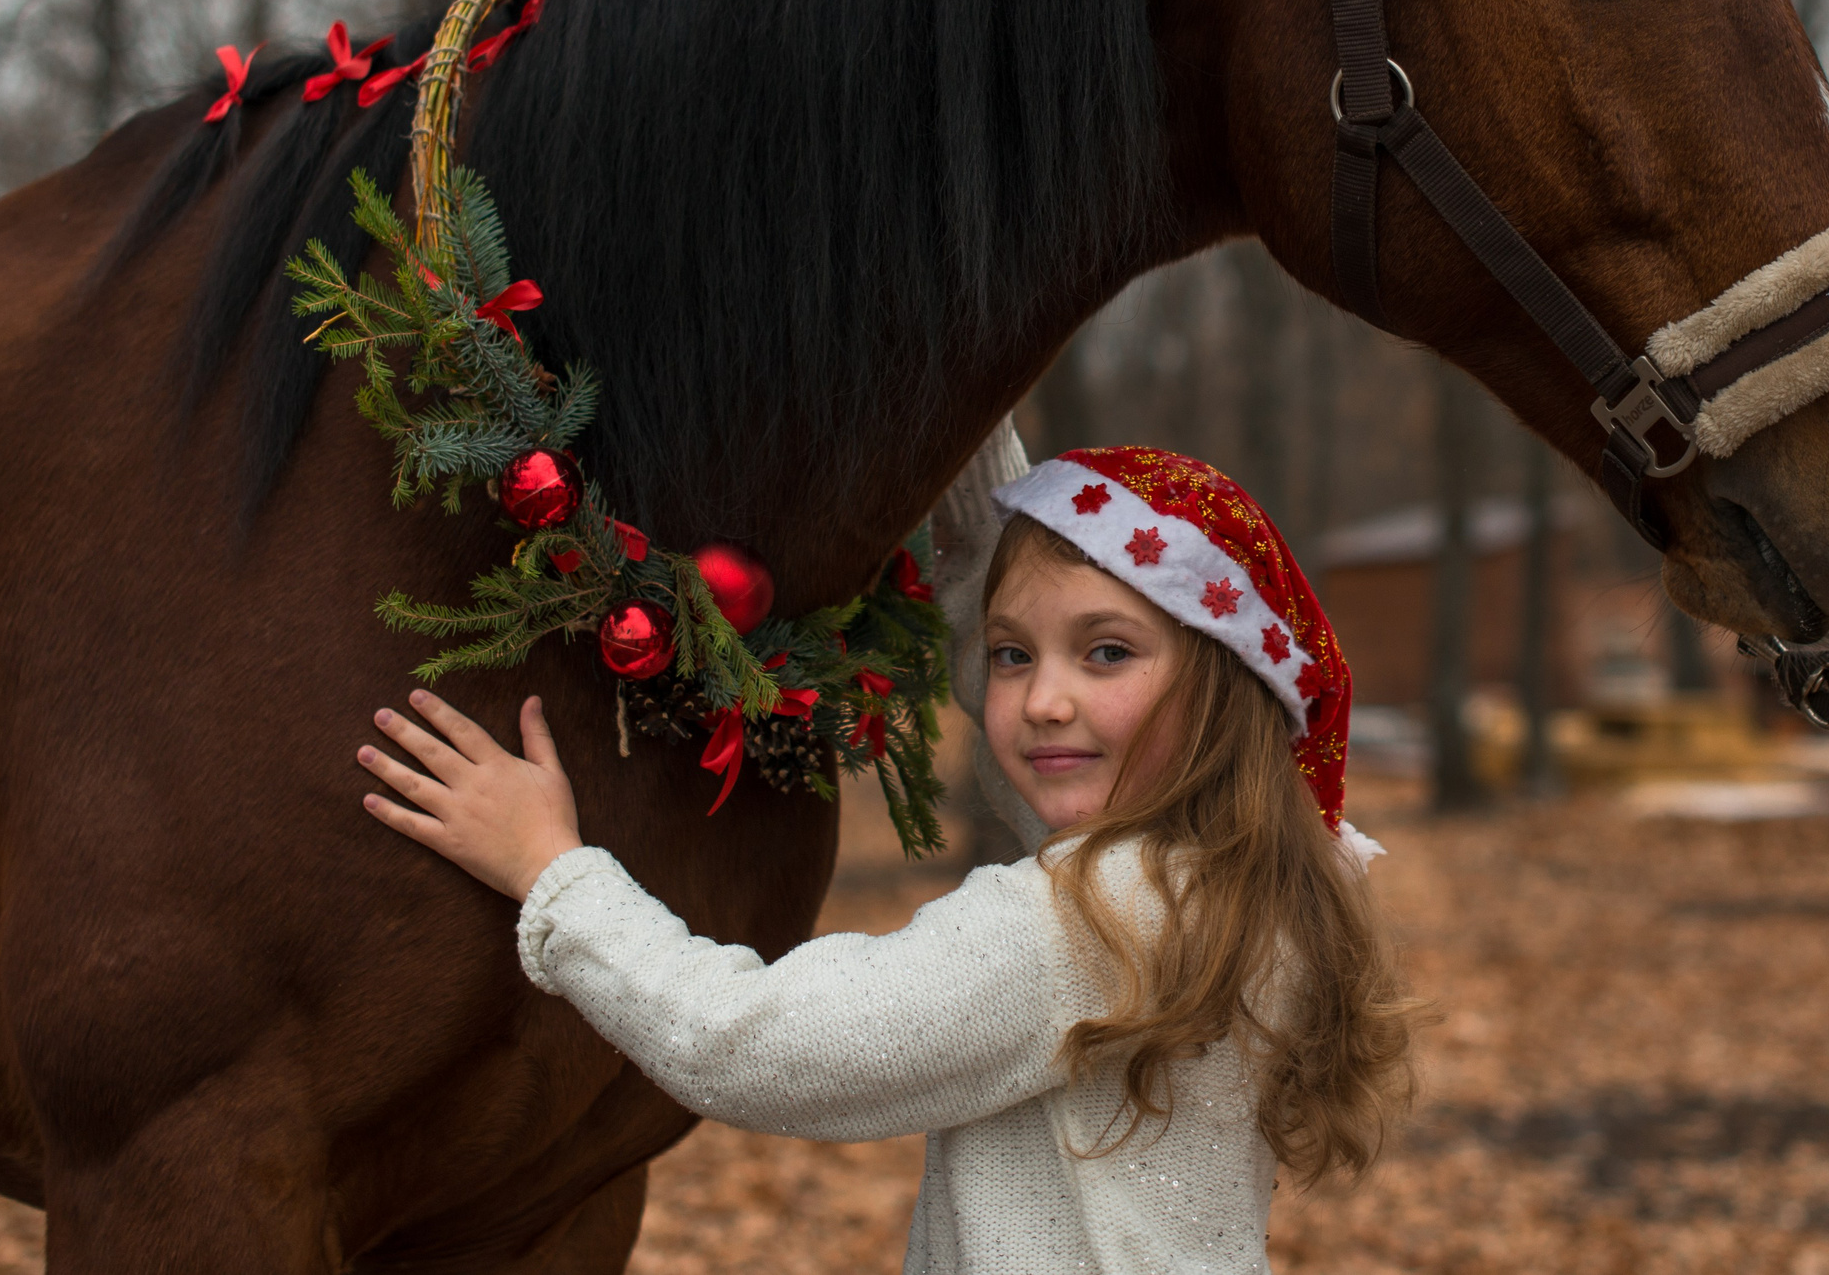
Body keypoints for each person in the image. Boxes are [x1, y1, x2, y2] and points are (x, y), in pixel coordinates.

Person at [356, 446, 1417, 1273]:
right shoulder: (1255, 882)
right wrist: (971, 452)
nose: (1042, 698)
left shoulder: (1083, 921)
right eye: (1012, 654)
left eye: (1107, 651)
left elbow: (760, 1043)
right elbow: (1042, 720)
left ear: (1227, 685)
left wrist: (553, 872)